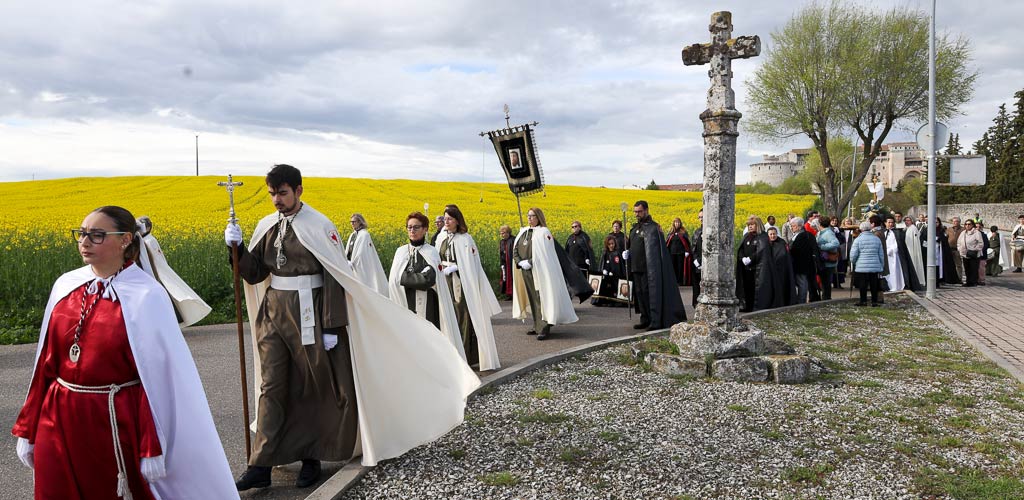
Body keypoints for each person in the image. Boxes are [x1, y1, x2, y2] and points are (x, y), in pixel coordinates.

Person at [225, 165, 478, 490]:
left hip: (312, 312)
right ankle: (260, 463)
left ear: (298, 190)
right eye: (272, 194)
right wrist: (237, 249)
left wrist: (331, 326)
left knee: (311, 385)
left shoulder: (319, 225)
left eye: (282, 193)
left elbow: (335, 276)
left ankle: (311, 457)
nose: (277, 200)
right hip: (274, 313)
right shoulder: (268, 226)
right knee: (271, 385)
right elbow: (254, 273)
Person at [13, 206, 237, 499]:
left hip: (114, 422)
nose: (84, 242)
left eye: (97, 235)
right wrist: (28, 427)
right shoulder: (66, 286)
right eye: (81, 234)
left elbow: (157, 380)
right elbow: (45, 363)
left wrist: (151, 445)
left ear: (125, 240)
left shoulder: (146, 295)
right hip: (57, 417)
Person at [387, 212, 467, 361]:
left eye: (416, 227)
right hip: (405, 304)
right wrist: (412, 277)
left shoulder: (431, 252)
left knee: (428, 344)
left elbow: (427, 280)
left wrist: (404, 277)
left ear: (425, 229)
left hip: (428, 306)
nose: (412, 230)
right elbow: (393, 280)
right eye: (409, 227)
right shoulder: (401, 252)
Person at [436, 204, 502, 370]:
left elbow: (471, 264)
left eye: (450, 219)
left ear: (457, 221)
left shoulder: (465, 239)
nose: (446, 222)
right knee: (449, 317)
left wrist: (457, 267)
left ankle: (465, 355)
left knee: (463, 318)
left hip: (462, 285)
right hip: (446, 282)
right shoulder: (441, 238)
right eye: (445, 219)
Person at [512, 208, 579, 340]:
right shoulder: (523, 232)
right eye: (528, 215)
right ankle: (536, 325)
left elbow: (545, 254)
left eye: (532, 216)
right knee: (532, 298)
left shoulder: (544, 232)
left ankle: (544, 327)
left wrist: (530, 262)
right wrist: (520, 262)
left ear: (538, 217)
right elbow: (515, 249)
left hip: (539, 271)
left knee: (541, 298)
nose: (529, 218)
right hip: (525, 271)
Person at [136, 215, 213, 326]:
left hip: (158, 274)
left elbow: (157, 261)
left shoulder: (149, 241)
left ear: (147, 228)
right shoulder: (146, 240)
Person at [623, 201, 686, 330]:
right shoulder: (634, 228)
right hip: (636, 267)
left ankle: (655, 320)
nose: (637, 214)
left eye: (639, 211)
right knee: (640, 295)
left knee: (650, 295)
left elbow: (657, 249)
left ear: (646, 210)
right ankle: (645, 318)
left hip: (649, 269)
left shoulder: (653, 228)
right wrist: (628, 252)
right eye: (635, 212)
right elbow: (633, 245)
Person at [345, 213, 389, 296]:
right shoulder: (353, 235)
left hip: (359, 266)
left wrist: (353, 263)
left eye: (354, 222)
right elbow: (348, 250)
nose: (352, 224)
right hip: (350, 265)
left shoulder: (364, 235)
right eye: (351, 222)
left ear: (360, 222)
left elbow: (361, 253)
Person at [755, 226, 795, 310]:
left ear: (777, 234)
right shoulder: (765, 243)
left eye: (774, 234)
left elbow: (784, 256)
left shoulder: (781, 243)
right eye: (771, 234)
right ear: (768, 235)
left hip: (780, 270)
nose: (773, 236)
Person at [850, 221, 885, 307]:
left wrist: (853, 262)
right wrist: (881, 264)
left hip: (861, 265)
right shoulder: (876, 239)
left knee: (862, 284)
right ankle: (874, 301)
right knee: (874, 284)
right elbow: (881, 254)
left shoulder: (858, 240)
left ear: (861, 229)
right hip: (874, 265)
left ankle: (863, 301)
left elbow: (853, 254)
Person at [735, 218, 765, 312]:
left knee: (754, 289)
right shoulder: (746, 236)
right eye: (749, 225)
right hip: (746, 268)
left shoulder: (762, 236)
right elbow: (741, 249)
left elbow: (761, 251)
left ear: (758, 225)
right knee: (745, 288)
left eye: (752, 224)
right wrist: (742, 258)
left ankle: (754, 307)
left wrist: (751, 258)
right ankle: (745, 306)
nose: (750, 226)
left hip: (757, 268)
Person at [788, 216, 820, 303]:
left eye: (793, 226)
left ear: (799, 226)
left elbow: (795, 250)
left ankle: (801, 302)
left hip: (801, 265)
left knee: (802, 284)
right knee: (805, 283)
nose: (791, 228)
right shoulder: (807, 235)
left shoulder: (801, 236)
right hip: (807, 264)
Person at [592, 235, 627, 307]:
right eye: (609, 244)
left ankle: (614, 301)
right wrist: (604, 270)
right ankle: (603, 300)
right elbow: (602, 263)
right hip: (606, 275)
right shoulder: (605, 253)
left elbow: (618, 265)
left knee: (614, 285)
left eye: (612, 244)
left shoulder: (617, 253)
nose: (611, 245)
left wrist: (613, 271)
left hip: (615, 276)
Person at [815, 217, 840, 300]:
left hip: (828, 261)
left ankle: (826, 299)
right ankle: (825, 298)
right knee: (824, 281)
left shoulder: (828, 233)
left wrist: (822, 247)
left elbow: (836, 243)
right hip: (824, 260)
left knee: (826, 282)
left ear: (820, 224)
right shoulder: (822, 232)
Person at [957, 219, 984, 287]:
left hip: (974, 254)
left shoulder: (977, 233)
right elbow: (959, 242)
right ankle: (968, 281)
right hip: (965, 253)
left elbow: (980, 243)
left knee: (973, 268)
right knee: (966, 268)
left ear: (972, 225)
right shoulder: (963, 233)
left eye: (969, 224)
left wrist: (974, 249)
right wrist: (960, 249)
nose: (967, 225)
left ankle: (973, 282)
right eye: (966, 224)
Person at [666, 217, 692, 286]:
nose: (677, 224)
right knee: (673, 267)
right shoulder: (671, 232)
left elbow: (687, 242)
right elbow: (668, 243)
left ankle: (680, 281)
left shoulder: (683, 232)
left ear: (680, 223)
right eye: (676, 222)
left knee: (680, 268)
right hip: (672, 253)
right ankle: (673, 281)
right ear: (674, 223)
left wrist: (687, 251)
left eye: (678, 222)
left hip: (681, 253)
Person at [903, 216, 926, 286]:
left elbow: (915, 241)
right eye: (905, 220)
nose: (907, 222)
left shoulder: (913, 228)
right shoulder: (907, 228)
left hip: (912, 250)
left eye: (908, 220)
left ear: (912, 221)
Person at [690, 210, 704, 308]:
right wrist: (695, 260)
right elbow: (693, 247)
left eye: (702, 217)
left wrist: (701, 261)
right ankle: (696, 303)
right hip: (697, 263)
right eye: (699, 217)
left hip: (705, 262)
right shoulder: (697, 231)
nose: (701, 219)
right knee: (696, 285)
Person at [947, 217, 966, 283]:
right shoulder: (949, 229)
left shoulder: (963, 230)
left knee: (958, 265)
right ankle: (950, 278)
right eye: (954, 221)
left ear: (959, 222)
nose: (955, 222)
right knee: (950, 264)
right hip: (950, 249)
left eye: (957, 221)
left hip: (957, 249)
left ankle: (959, 278)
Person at [498, 224, 515, 299]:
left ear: (508, 232)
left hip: (511, 262)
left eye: (503, 233)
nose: (502, 235)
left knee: (512, 278)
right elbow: (501, 253)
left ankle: (513, 294)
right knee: (505, 278)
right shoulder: (502, 242)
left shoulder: (513, 240)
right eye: (501, 233)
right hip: (505, 263)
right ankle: (508, 294)